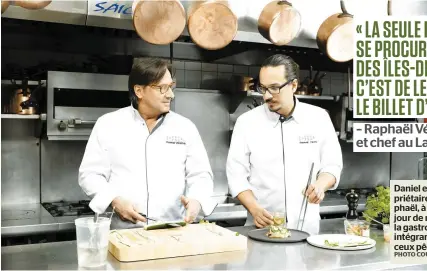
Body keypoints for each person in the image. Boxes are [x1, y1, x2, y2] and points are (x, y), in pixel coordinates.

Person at [78, 57, 216, 229]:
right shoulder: (108, 124)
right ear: (139, 91)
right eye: (162, 88)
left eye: (171, 87)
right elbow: (90, 175)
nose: (170, 95)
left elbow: (201, 175)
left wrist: (196, 200)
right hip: (124, 232)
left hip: (173, 230)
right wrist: (114, 200)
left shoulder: (185, 127)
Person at [226, 54, 343, 235]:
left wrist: (320, 185)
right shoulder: (246, 123)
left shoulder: (319, 118)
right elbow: (236, 176)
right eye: (263, 88)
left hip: (307, 228)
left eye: (274, 88)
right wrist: (254, 209)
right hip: (262, 228)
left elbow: (332, 165)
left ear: (293, 85)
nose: (266, 96)